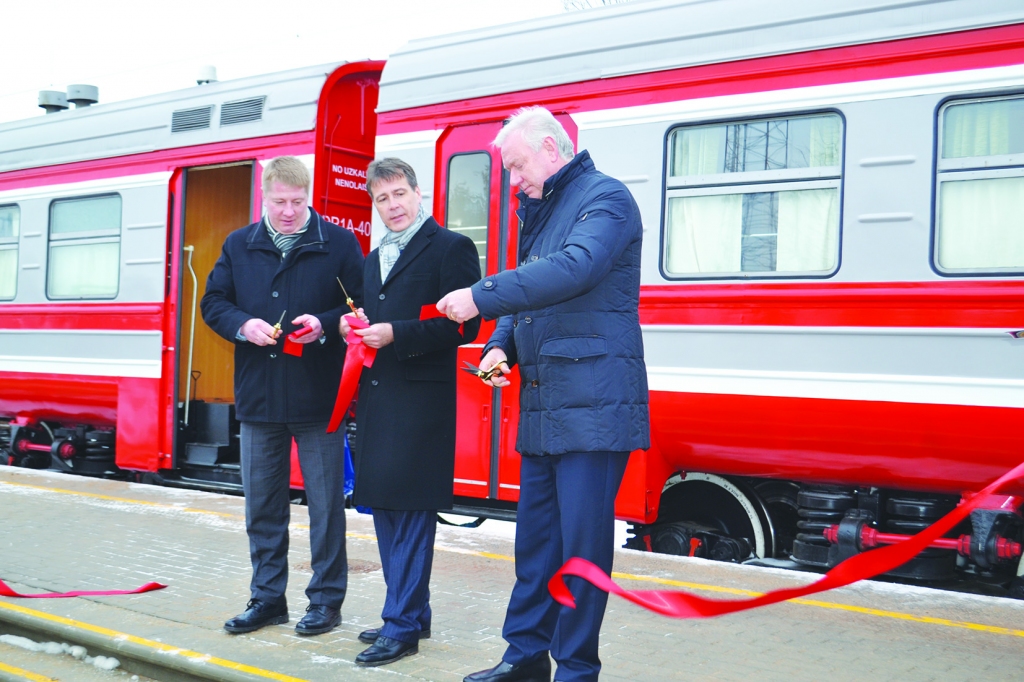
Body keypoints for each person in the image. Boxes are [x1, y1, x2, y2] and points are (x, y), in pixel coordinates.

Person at [437, 107, 650, 682]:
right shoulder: (544, 212)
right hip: (549, 402)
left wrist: (481, 297)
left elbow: (575, 269)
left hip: (595, 402)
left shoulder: (606, 199)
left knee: (580, 551)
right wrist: (498, 345)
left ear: (551, 150)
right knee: (535, 545)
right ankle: (524, 657)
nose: (512, 179)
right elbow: (535, 287)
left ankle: (576, 669)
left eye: (516, 165)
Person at [201, 156, 364, 637]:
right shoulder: (239, 244)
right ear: (264, 198)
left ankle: (325, 603)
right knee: (263, 507)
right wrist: (241, 325)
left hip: (319, 399)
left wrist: (325, 324)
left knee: (326, 506)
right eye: (279, 202)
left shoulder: (338, 243)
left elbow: (360, 302)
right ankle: (268, 599)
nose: (289, 212)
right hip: (259, 399)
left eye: (297, 202)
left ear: (308, 196)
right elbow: (213, 302)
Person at [340, 157, 481, 667]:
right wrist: (351, 327)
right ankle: (409, 614)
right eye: (381, 199)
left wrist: (395, 333)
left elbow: (464, 327)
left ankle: (400, 626)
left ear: (418, 193)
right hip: (381, 399)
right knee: (387, 507)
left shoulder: (451, 248)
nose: (392, 205)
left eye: (399, 194)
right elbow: (371, 315)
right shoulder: (373, 256)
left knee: (413, 513)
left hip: (421, 405)